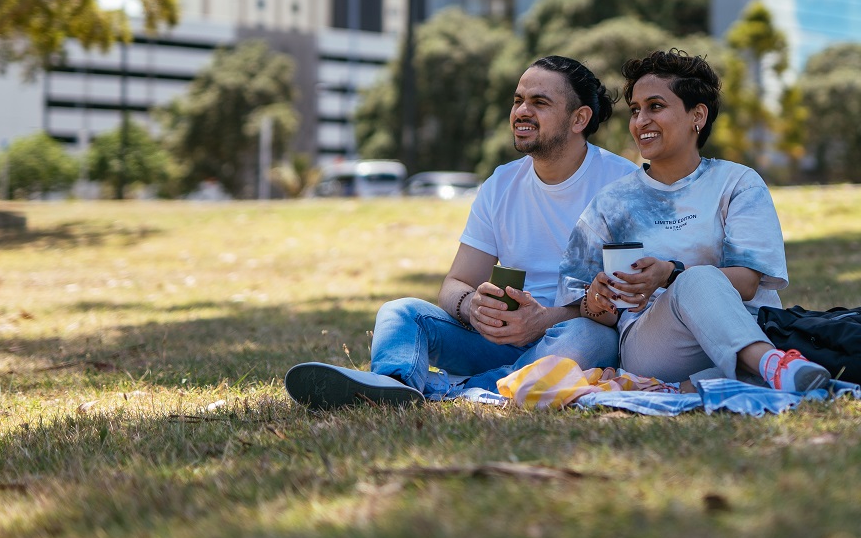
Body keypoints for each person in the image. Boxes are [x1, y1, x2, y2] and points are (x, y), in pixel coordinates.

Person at [286, 56, 639, 408]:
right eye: (517, 100)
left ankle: (452, 391)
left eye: (539, 103)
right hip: (501, 340)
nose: (521, 112)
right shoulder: (501, 183)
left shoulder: (620, 184)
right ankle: (394, 383)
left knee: (592, 337)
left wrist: (544, 319)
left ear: (579, 119)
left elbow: (626, 303)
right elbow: (456, 282)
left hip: (568, 338)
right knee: (400, 311)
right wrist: (473, 307)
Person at [560, 49, 832, 393]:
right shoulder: (611, 202)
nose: (640, 120)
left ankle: (711, 381)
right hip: (656, 344)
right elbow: (582, 304)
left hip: (746, 322)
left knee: (695, 279)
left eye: (655, 107)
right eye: (635, 110)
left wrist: (670, 272)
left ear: (697, 116)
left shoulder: (738, 183)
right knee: (694, 279)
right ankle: (771, 366)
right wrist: (597, 300)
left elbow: (748, 282)